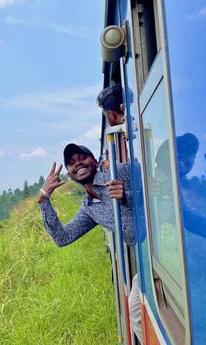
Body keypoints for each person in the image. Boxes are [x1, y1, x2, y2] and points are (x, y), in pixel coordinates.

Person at [37, 85, 143, 343]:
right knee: (135, 311)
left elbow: (159, 191)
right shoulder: (90, 208)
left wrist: (129, 196)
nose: (77, 164)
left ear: (95, 160)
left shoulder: (120, 171)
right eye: (71, 163)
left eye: (81, 158)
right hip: (144, 259)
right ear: (69, 174)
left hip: (162, 249)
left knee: (136, 310)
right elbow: (63, 238)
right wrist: (43, 199)